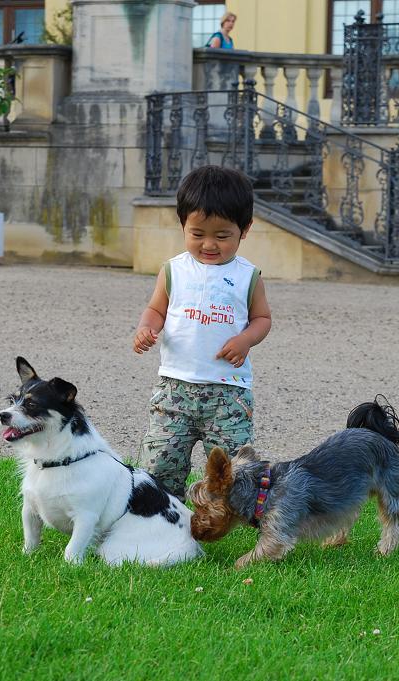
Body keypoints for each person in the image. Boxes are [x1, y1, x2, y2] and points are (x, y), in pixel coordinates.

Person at [132, 165, 272, 500]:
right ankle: (164, 517)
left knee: (234, 473)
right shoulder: (173, 270)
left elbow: (262, 318)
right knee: (160, 465)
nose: (209, 244)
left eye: (222, 236)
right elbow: (156, 309)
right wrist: (147, 327)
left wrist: (245, 339)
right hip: (174, 388)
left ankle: (226, 517)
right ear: (183, 224)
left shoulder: (248, 276)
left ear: (245, 229)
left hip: (228, 393)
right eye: (197, 234)